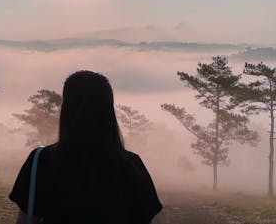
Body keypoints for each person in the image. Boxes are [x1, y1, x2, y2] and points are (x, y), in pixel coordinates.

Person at [9, 70, 162, 224]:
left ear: (66, 109)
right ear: (108, 111)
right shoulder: (132, 165)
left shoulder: (42, 161)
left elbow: (25, 220)